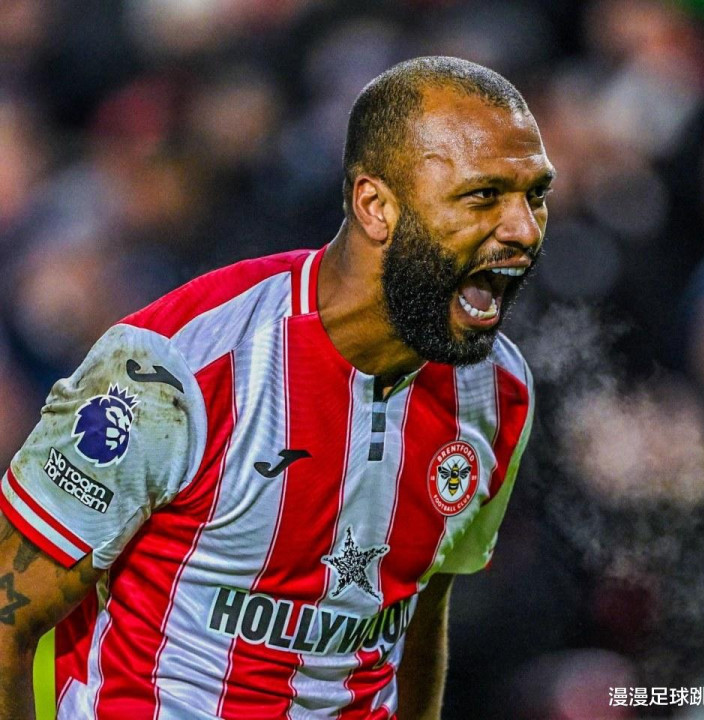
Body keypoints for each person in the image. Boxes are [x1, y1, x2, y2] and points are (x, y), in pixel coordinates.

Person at [0, 56, 554, 719]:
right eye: (483, 196)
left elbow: (419, 612)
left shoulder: (499, 392)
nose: (524, 230)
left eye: (535, 195)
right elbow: (7, 618)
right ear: (376, 206)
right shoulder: (174, 370)